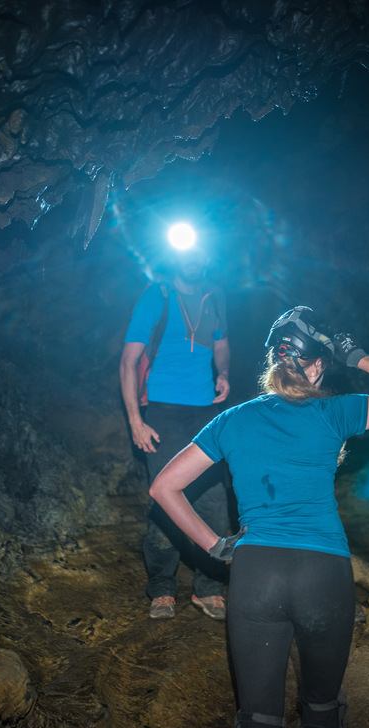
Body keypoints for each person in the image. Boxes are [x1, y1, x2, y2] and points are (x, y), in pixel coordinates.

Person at [147, 306, 369, 728]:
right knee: (321, 711)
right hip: (323, 573)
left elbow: (163, 486)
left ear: (274, 364)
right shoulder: (336, 413)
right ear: (317, 366)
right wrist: (356, 357)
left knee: (259, 719)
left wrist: (215, 545)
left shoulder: (232, 419)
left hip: (256, 574)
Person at [118, 244, 232, 620]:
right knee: (166, 499)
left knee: (214, 498)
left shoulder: (215, 298)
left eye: (199, 251)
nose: (193, 258)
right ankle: (163, 587)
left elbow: (221, 344)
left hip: (204, 414)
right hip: (163, 412)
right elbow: (129, 361)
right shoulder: (158, 296)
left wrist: (224, 373)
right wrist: (136, 420)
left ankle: (209, 587)